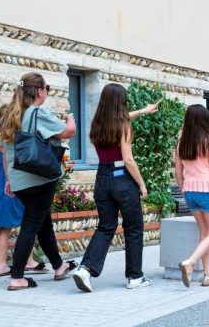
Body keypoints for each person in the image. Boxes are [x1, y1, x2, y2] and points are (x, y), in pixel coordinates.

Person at [72, 83, 160, 292]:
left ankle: (85, 269)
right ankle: (134, 277)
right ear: (121, 101)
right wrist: (141, 183)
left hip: (102, 179)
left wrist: (143, 111)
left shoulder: (98, 124)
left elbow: (123, 117)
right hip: (122, 179)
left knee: (106, 226)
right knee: (134, 227)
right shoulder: (123, 126)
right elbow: (128, 160)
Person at [0, 72, 77, 290]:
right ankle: (17, 277)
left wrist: (9, 180)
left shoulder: (9, 115)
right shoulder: (36, 113)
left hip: (18, 180)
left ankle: (59, 266)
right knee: (32, 224)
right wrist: (70, 117)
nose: (46, 93)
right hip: (40, 178)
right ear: (39, 91)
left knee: (42, 223)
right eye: (46, 89)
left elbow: (6, 152)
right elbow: (69, 131)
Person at [0, 104, 43, 277]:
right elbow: (8, 160)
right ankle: (15, 263)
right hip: (9, 181)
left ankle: (13, 263)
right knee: (24, 222)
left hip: (0, 182)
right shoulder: (3, 137)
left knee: (8, 226)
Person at [174, 104, 209, 288]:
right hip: (207, 192)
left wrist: (184, 190)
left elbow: (178, 171)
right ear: (205, 120)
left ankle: (208, 275)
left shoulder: (181, 144)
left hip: (190, 193)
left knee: (205, 233)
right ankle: (190, 262)